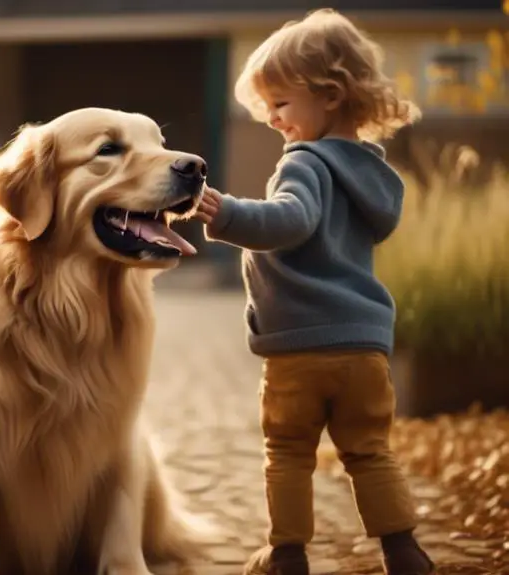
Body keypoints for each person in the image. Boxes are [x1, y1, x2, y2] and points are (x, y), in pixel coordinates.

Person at [193, 9, 433, 575]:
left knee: (289, 454)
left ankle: (287, 554)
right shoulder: (367, 171)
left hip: (301, 347)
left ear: (329, 95)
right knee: (370, 452)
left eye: (281, 103)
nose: (272, 119)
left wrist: (227, 213)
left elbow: (290, 221)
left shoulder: (304, 162)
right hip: (363, 346)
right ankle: (404, 551)